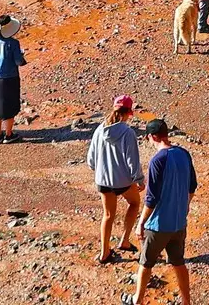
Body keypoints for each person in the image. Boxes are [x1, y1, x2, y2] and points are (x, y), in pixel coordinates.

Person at [129, 117, 194, 305]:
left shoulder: (157, 160)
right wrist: (184, 208)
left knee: (145, 263)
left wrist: (141, 223)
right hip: (178, 223)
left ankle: (137, 300)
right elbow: (192, 186)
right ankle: (186, 302)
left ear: (152, 137)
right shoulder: (184, 153)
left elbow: (152, 198)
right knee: (179, 263)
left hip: (158, 225)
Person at [87, 95, 144, 264]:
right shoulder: (128, 133)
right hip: (123, 181)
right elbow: (132, 159)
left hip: (103, 181)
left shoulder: (99, 129)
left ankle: (104, 252)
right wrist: (139, 178)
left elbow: (91, 158)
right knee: (134, 203)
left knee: (108, 215)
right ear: (128, 113)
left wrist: (99, 171)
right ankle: (124, 241)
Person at [0, 15, 26, 143]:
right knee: (10, 106)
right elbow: (19, 61)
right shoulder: (13, 43)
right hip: (10, 77)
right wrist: (22, 56)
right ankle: (8, 135)